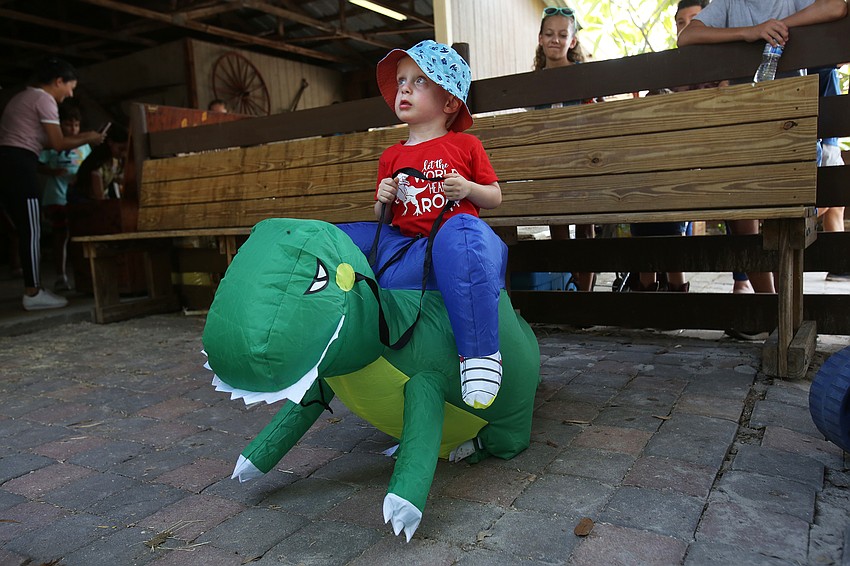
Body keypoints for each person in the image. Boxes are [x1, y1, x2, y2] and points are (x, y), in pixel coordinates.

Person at [337, 40, 506, 410]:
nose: (404, 88)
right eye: (401, 81)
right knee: (338, 238)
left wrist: (469, 189)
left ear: (449, 102)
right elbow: (383, 221)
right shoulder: (392, 155)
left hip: (455, 241)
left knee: (461, 230)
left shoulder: (465, 146)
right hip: (406, 244)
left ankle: (479, 355)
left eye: (420, 80)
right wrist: (383, 198)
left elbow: (494, 196)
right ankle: (325, 328)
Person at [678, 0, 848, 295]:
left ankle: (784, 305)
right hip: (745, 131)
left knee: (787, 217)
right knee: (739, 208)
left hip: (790, 130)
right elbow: (687, 36)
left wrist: (781, 27)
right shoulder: (730, 3)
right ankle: (768, 301)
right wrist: (751, 32)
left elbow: (837, 7)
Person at [0, 57, 104, 310]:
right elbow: (57, 143)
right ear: (59, 81)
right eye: (70, 87)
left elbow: (43, 142)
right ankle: (33, 292)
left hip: (10, 161)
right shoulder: (44, 99)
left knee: (25, 228)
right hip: (20, 163)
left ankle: (33, 288)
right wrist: (89, 137)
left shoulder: (23, 97)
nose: (69, 94)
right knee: (32, 229)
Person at [533, 6, 596, 291]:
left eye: (562, 35)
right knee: (556, 225)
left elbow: (595, 113)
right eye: (549, 34)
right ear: (541, 39)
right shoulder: (531, 81)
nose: (555, 40)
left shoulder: (584, 75)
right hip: (548, 164)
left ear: (572, 41)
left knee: (585, 225)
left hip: (582, 161)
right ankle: (568, 281)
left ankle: (585, 288)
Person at [38, 102, 91, 291]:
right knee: (61, 234)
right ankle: (61, 275)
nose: (73, 129)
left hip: (76, 198)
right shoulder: (51, 146)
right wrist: (52, 171)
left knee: (79, 235)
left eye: (76, 125)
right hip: (55, 197)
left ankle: (83, 275)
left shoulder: (84, 147)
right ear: (60, 125)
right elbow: (37, 164)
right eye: (68, 124)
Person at [812, 66, 848, 281]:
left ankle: (838, 264)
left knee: (835, 204)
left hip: (827, 140)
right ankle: (838, 264)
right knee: (833, 199)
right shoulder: (826, 68)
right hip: (825, 139)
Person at [73, 124, 128, 201]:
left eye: (126, 150)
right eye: (121, 149)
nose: (124, 154)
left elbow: (115, 177)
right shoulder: (97, 169)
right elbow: (100, 199)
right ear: (110, 142)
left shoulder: (115, 161)